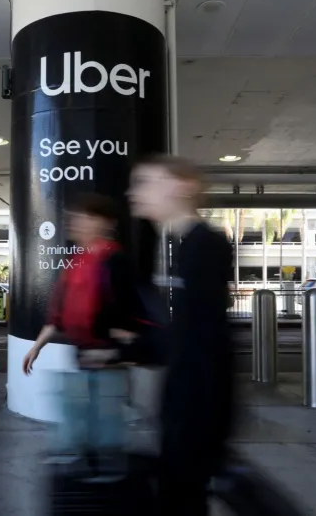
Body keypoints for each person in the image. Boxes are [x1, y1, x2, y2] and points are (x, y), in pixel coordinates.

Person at [127, 155, 235, 516]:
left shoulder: (206, 246)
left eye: (147, 181)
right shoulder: (174, 245)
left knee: (183, 501)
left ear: (182, 187)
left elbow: (205, 338)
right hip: (183, 400)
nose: (134, 192)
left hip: (197, 406)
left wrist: (205, 425)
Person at [23, 194, 135, 466]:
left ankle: (107, 483)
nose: (77, 223)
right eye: (76, 218)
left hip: (109, 365)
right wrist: (36, 346)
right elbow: (58, 313)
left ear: (103, 223)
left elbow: (130, 318)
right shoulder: (78, 262)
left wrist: (116, 351)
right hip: (83, 361)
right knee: (80, 429)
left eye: (86, 218)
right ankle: (84, 472)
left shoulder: (116, 262)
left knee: (107, 433)